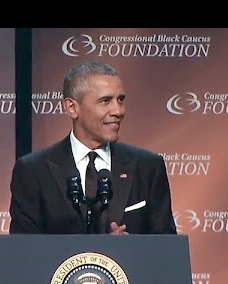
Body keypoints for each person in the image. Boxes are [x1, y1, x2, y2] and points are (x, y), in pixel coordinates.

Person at [9, 61, 176, 235]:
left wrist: (131, 250)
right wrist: (102, 251)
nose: (118, 111)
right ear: (72, 108)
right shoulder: (33, 171)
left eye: (120, 100)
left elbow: (166, 251)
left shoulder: (148, 167)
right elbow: (24, 253)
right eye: (105, 101)